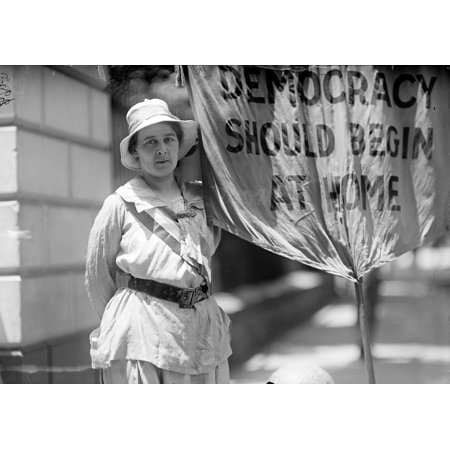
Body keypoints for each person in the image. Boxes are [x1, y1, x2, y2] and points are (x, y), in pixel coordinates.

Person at [85, 98, 232, 384]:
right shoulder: (120, 204)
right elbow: (97, 277)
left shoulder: (204, 200)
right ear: (135, 152)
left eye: (168, 139)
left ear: (179, 145)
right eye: (150, 142)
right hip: (143, 333)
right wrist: (122, 320)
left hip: (200, 331)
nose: (162, 149)